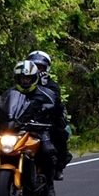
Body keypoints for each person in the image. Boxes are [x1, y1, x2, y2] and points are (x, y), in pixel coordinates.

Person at [0, 60, 60, 196]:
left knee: (48, 151)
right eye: (22, 78)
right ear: (17, 79)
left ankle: (49, 185)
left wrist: (48, 117)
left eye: (27, 78)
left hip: (37, 130)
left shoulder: (46, 94)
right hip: (13, 131)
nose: (25, 81)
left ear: (34, 78)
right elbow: (0, 108)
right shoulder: (9, 93)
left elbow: (55, 109)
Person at [26, 50, 71, 181]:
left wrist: (44, 85)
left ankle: (57, 168)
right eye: (35, 66)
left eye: (41, 67)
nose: (38, 70)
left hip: (46, 120)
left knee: (59, 134)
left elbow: (56, 102)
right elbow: (11, 99)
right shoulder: (22, 82)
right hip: (24, 120)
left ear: (47, 68)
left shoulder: (51, 84)